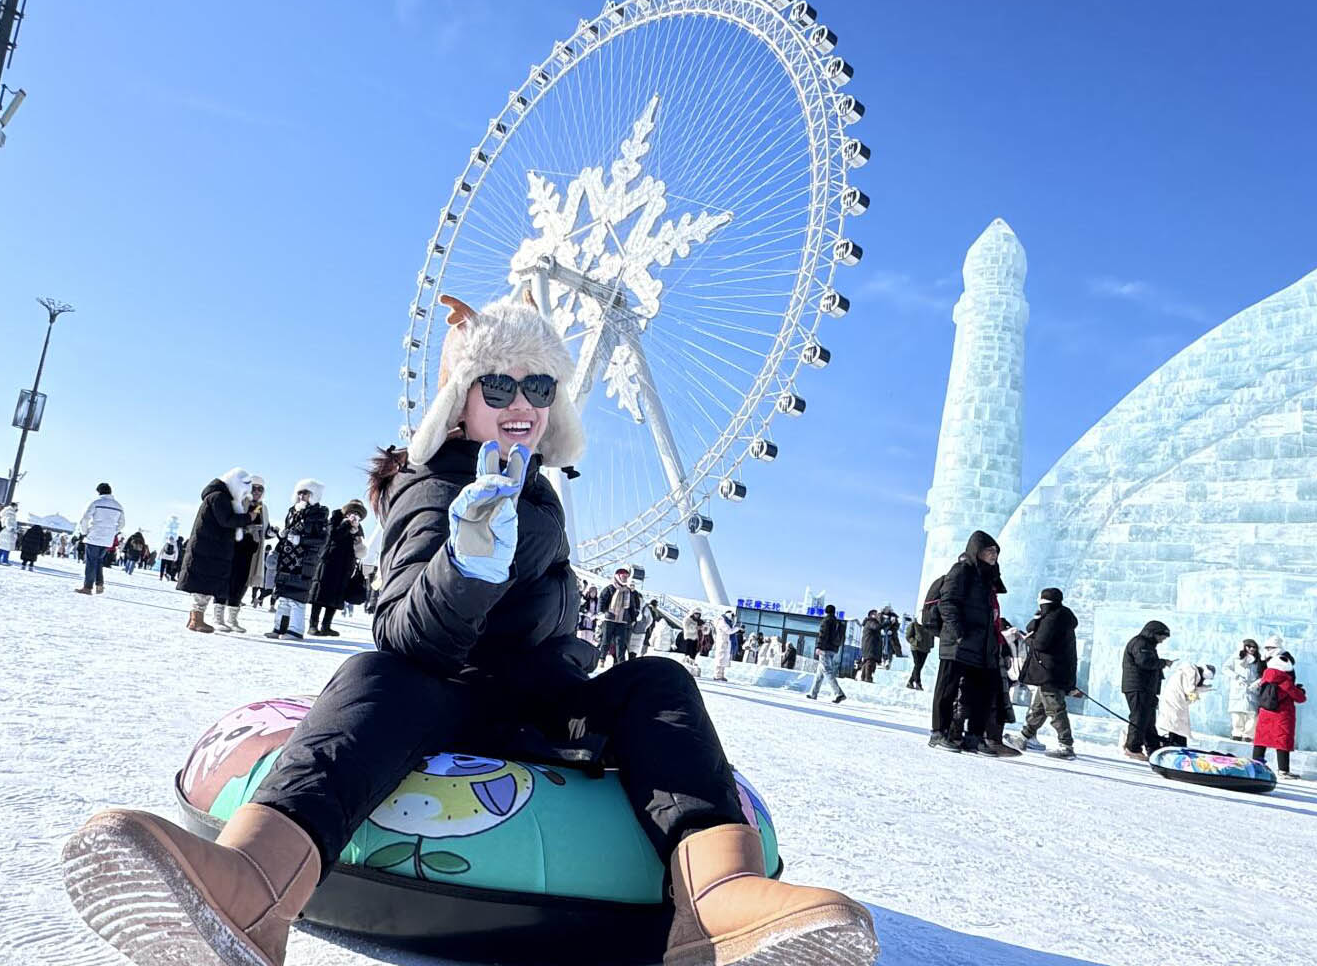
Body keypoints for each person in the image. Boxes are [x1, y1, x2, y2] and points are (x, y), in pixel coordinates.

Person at [61, 294, 877, 966]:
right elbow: (405, 633)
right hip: (446, 695)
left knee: (662, 681)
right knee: (369, 681)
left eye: (540, 387)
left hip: (543, 702)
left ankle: (716, 903)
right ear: (462, 399)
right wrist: (468, 562)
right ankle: (252, 886)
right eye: (498, 385)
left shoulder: (540, 492)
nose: (520, 404)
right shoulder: (437, 482)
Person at [931, 532, 1007, 756]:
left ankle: (973, 736)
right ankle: (939, 732)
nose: (993, 555)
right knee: (947, 689)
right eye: (989, 550)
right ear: (977, 550)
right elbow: (948, 602)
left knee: (981, 692)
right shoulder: (962, 570)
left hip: (982, 646)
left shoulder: (988, 578)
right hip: (958, 643)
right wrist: (958, 633)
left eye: (995, 552)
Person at [177, 470, 259, 633]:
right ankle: (196, 620)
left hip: (210, 549)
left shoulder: (219, 496)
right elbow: (226, 520)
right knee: (202, 585)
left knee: (205, 584)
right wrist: (249, 517)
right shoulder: (219, 497)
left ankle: (195, 618)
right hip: (207, 550)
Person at [1015, 588, 1081, 759]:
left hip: (1049, 671)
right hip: (1056, 670)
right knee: (1039, 707)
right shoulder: (1061, 616)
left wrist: (1028, 639)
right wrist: (1037, 620)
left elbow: (1041, 643)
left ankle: (1066, 744)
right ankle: (1024, 736)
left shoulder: (1052, 618)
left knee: (1055, 708)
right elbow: (1033, 627)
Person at [266, 480, 329, 640]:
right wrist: (281, 537)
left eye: (306, 493)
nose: (302, 496)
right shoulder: (292, 511)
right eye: (300, 492)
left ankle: (295, 630)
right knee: (283, 599)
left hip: (303, 563)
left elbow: (322, 540)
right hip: (286, 560)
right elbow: (289, 532)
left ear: (313, 495)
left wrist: (301, 540)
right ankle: (280, 628)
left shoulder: (319, 514)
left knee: (296, 600)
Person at [309, 501, 365, 636]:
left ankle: (326, 626)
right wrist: (346, 524)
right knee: (320, 593)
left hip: (345, 566)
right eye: (352, 511)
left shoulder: (358, 527)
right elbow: (333, 535)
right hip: (329, 562)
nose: (354, 515)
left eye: (358, 513)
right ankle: (313, 625)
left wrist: (357, 535)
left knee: (336, 596)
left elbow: (361, 550)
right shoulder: (336, 518)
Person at [1119, 620, 1173, 760]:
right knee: (1140, 717)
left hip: (1146, 688)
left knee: (1148, 719)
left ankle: (1153, 748)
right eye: (1161, 637)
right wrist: (1163, 663)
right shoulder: (1140, 643)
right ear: (1153, 633)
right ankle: (1133, 748)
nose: (1161, 641)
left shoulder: (1147, 644)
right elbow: (1144, 662)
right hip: (1138, 687)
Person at [1251, 650, 1306, 777]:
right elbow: (1300, 698)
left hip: (1265, 713)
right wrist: (1300, 691)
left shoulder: (1266, 676)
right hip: (1282, 715)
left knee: (1261, 739)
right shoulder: (1285, 681)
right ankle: (1283, 770)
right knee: (1282, 741)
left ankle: (1256, 765)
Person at [74, 484, 126, 595]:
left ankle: (87, 588)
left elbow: (85, 519)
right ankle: (99, 585)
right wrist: (112, 532)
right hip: (107, 539)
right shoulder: (118, 506)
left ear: (99, 492)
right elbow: (122, 524)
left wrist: (85, 532)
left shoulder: (96, 503)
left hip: (94, 536)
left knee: (91, 562)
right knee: (98, 561)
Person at [1156, 662, 1216, 747]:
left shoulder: (1189, 670)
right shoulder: (1191, 672)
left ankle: (1173, 742)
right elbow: (1189, 691)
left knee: (1176, 722)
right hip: (1176, 699)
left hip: (1174, 698)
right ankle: (1174, 743)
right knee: (1177, 722)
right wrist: (1200, 691)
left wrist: (1200, 690)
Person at [597, 567, 641, 669]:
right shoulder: (609, 588)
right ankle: (601, 658)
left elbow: (631, 606)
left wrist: (634, 618)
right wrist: (601, 612)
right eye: (623, 576)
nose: (625, 578)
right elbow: (602, 600)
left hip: (622, 620)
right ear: (617, 576)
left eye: (626, 577)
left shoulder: (628, 591)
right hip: (609, 619)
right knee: (606, 640)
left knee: (620, 642)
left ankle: (620, 663)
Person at [805, 604, 847, 702]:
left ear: (826, 611)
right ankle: (813, 693)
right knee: (820, 673)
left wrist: (819, 646)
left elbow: (822, 635)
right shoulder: (838, 622)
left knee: (827, 671)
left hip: (825, 649)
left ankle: (839, 693)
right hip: (833, 649)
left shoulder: (826, 621)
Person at [1227, 639, 1264, 741]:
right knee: (1237, 714)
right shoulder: (1236, 658)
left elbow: (1263, 674)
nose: (1251, 649)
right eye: (1249, 646)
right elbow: (1225, 668)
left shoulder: (1259, 660)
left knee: (1252, 715)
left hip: (1252, 690)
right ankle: (1237, 733)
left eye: (1254, 647)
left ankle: (1248, 735)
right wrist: (1236, 677)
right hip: (1238, 690)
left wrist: (1257, 683)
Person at [905, 593, 936, 690]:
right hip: (916, 648)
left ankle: (910, 682)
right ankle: (918, 683)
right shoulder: (914, 624)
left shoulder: (929, 625)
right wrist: (915, 642)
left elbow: (932, 636)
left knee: (919, 667)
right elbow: (908, 636)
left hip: (925, 648)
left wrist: (931, 644)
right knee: (917, 665)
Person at [855, 613, 878, 683]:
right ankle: (868, 678)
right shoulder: (871, 622)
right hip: (870, 644)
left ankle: (864, 677)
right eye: (875, 614)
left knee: (866, 660)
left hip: (867, 644)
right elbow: (877, 627)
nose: (877, 615)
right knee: (869, 660)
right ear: (872, 615)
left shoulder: (868, 622)